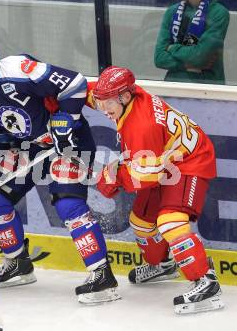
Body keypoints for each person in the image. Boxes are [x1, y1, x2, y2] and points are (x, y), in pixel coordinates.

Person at [0, 32, 120, 304]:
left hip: (69, 141)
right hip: (31, 149)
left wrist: (66, 118)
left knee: (68, 205)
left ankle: (102, 274)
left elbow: (76, 83)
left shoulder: (21, 68)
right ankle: (18, 263)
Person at [87, 65, 224, 314]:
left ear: (125, 96)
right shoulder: (122, 97)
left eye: (107, 103)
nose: (103, 108)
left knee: (170, 222)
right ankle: (163, 265)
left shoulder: (142, 126)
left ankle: (206, 282)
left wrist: (113, 177)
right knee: (140, 221)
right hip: (162, 160)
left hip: (190, 162)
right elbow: (90, 94)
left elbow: (145, 177)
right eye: (101, 101)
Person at [154, 0, 229, 84]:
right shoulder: (172, 11)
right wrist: (186, 65)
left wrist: (172, 48)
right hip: (173, 84)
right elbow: (159, 58)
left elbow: (199, 57)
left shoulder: (218, 13)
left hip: (207, 87)